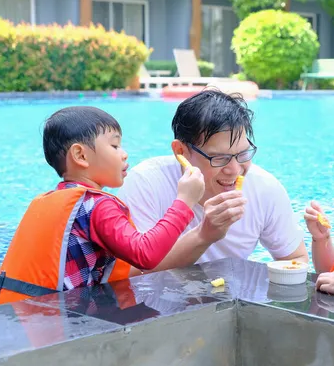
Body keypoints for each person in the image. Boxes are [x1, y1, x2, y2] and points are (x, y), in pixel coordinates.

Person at [0, 106, 205, 306]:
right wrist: (185, 201)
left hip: (19, 314)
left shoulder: (55, 199)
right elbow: (145, 255)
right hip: (58, 325)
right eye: (114, 145)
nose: (124, 153)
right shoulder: (98, 206)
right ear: (81, 155)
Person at [117, 90, 308, 270]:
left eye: (242, 154)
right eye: (219, 158)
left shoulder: (264, 188)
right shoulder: (147, 183)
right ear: (180, 152)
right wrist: (203, 235)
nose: (234, 170)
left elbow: (295, 260)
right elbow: (130, 277)